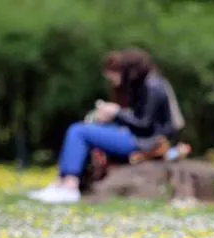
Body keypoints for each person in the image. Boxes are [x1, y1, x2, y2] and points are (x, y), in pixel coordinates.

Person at [29, 48, 185, 204]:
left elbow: (144, 124)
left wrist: (116, 113)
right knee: (84, 128)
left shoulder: (153, 86)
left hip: (145, 142)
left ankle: (70, 185)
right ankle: (60, 182)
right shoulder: (149, 84)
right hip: (139, 137)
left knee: (78, 131)